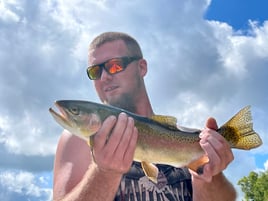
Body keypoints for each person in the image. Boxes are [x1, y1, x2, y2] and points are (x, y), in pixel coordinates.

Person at [53, 32, 237, 201]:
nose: (104, 77)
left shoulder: (190, 137)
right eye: (95, 71)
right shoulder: (77, 140)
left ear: (141, 67)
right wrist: (104, 173)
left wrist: (209, 175)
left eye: (114, 66)